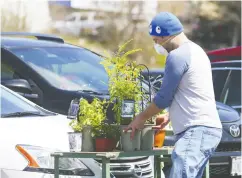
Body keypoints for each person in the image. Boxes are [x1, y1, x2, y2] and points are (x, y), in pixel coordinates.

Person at [124, 12, 222, 178]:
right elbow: (192, 91)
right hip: (206, 129)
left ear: (166, 35)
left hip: (195, 130)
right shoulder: (197, 51)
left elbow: (163, 98)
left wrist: (140, 118)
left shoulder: (177, 56)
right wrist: (171, 114)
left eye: (156, 40)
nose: (157, 45)